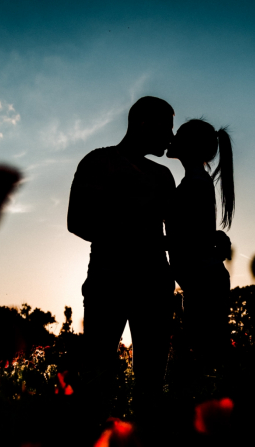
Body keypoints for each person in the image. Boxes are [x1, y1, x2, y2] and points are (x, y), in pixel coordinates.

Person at [67, 96, 176, 417]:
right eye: (166, 127)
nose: (170, 136)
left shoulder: (163, 176)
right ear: (144, 123)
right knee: (95, 374)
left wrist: (211, 238)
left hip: (156, 286)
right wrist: (137, 228)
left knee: (152, 383)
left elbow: (179, 231)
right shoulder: (99, 162)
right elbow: (78, 221)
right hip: (108, 280)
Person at [165, 118, 234, 393]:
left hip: (204, 282)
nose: (171, 137)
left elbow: (187, 238)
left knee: (203, 362)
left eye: (178, 134)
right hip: (204, 280)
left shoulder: (193, 184)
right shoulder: (197, 182)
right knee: (206, 359)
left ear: (189, 146)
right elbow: (199, 232)